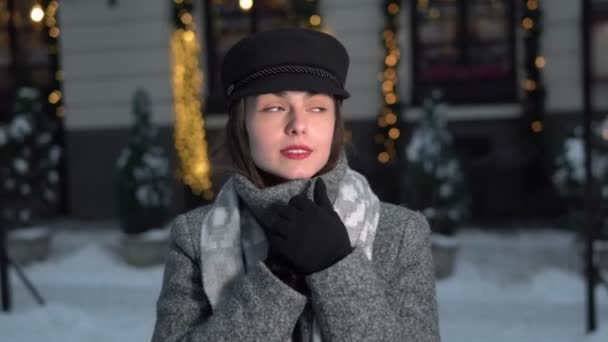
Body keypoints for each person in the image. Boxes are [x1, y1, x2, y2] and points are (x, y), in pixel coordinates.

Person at [151, 28, 440, 342]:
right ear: (242, 124)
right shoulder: (194, 238)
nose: (298, 125)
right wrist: (276, 280)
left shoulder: (401, 234)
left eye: (317, 108)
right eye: (274, 108)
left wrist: (337, 266)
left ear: (335, 123)